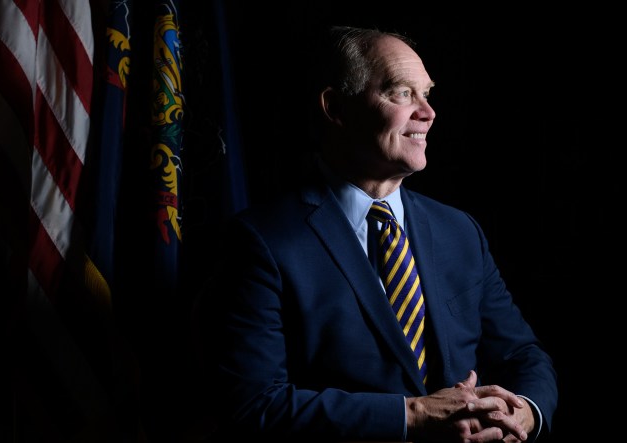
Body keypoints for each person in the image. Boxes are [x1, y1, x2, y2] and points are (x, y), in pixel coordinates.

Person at [194, 25, 558, 442]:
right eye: (402, 92)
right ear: (336, 108)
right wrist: (414, 413)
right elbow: (255, 406)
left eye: (427, 94)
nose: (427, 112)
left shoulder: (460, 231)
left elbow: (523, 355)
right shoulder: (262, 241)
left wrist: (525, 413)